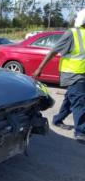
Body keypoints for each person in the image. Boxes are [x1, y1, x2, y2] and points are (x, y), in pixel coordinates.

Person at [33, 9, 85, 143]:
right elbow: (54, 51)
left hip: (81, 75)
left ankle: (57, 120)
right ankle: (81, 132)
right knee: (80, 102)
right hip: (74, 74)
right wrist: (40, 68)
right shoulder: (72, 34)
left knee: (70, 99)